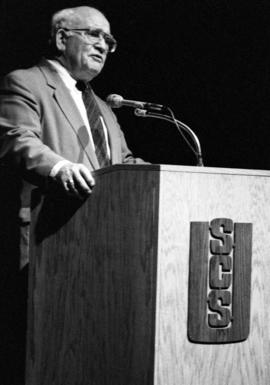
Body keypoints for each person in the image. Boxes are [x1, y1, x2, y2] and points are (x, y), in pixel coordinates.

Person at [0, 6, 145, 384]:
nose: (103, 45)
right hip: (50, 239)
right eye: (94, 35)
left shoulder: (104, 108)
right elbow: (15, 138)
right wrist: (58, 168)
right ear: (63, 37)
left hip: (104, 249)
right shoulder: (26, 82)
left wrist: (155, 177)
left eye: (109, 40)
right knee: (41, 354)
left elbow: (122, 162)